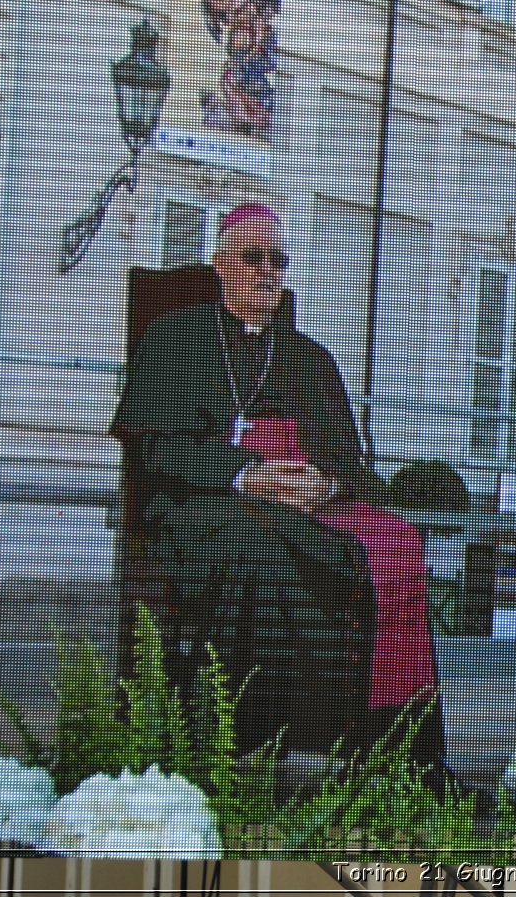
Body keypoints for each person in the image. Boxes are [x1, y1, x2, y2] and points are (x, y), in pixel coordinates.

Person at [111, 204, 444, 765]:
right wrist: (243, 473)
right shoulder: (175, 338)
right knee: (269, 554)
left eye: (279, 260)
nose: (268, 270)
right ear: (220, 265)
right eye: (253, 258)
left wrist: (325, 482)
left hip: (306, 510)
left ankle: (397, 753)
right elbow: (152, 446)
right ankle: (255, 746)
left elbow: (349, 458)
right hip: (200, 511)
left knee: (397, 542)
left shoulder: (310, 358)